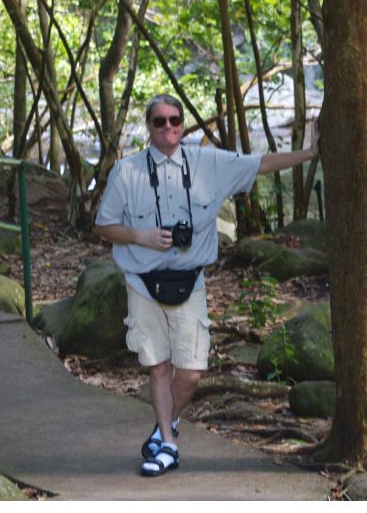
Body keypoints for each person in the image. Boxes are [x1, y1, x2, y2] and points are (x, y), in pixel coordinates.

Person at [93, 93, 320, 477]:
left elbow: (262, 163)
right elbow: (102, 226)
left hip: (190, 281)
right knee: (159, 366)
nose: (169, 127)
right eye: (160, 121)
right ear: (148, 127)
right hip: (143, 281)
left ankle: (167, 423)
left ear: (183, 125)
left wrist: (310, 152)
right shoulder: (127, 172)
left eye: (175, 121)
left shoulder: (207, 163)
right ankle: (167, 444)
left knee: (192, 371)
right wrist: (140, 236)